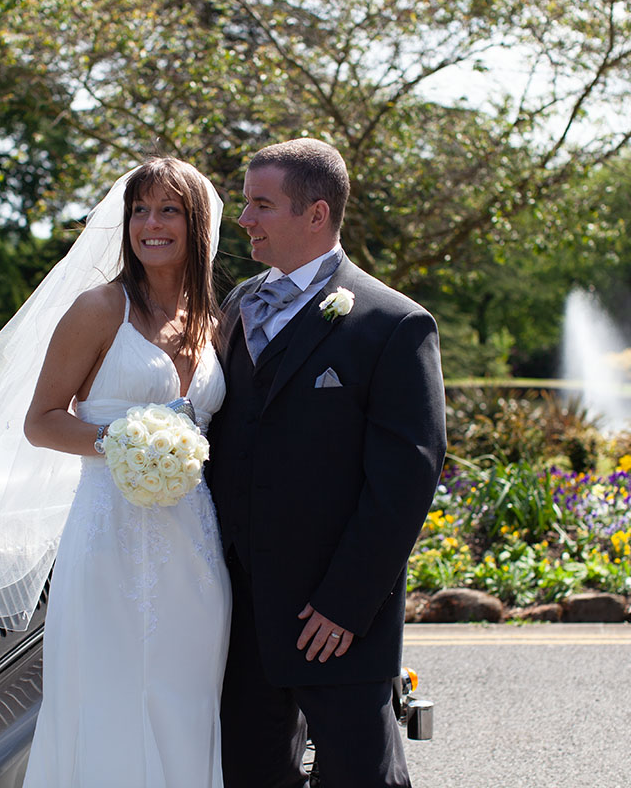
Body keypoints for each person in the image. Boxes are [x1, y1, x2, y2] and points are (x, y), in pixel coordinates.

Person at [0, 158, 231, 787]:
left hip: (194, 541)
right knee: (113, 693)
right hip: (110, 532)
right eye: (139, 210)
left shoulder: (211, 319)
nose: (150, 224)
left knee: (188, 694)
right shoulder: (100, 308)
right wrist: (121, 441)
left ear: (198, 227)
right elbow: (41, 421)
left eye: (169, 210)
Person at [207, 138, 446, 788]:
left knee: (359, 777)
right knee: (250, 774)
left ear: (316, 214)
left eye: (261, 205)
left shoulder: (393, 324)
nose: (244, 219)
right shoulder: (234, 308)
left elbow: (406, 480)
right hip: (239, 613)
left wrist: (346, 603)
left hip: (332, 621)